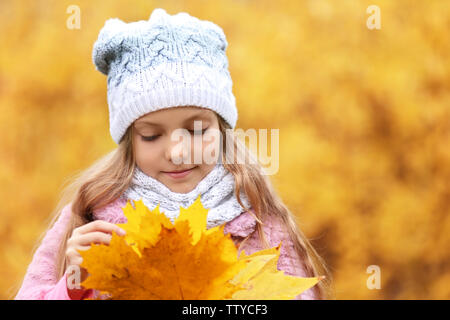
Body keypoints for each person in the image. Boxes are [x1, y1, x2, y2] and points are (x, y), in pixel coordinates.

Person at [14, 8, 333, 300]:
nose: (178, 152)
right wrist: (73, 287)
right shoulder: (91, 215)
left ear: (221, 131)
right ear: (130, 141)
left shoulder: (258, 219)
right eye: (152, 135)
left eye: (196, 131)